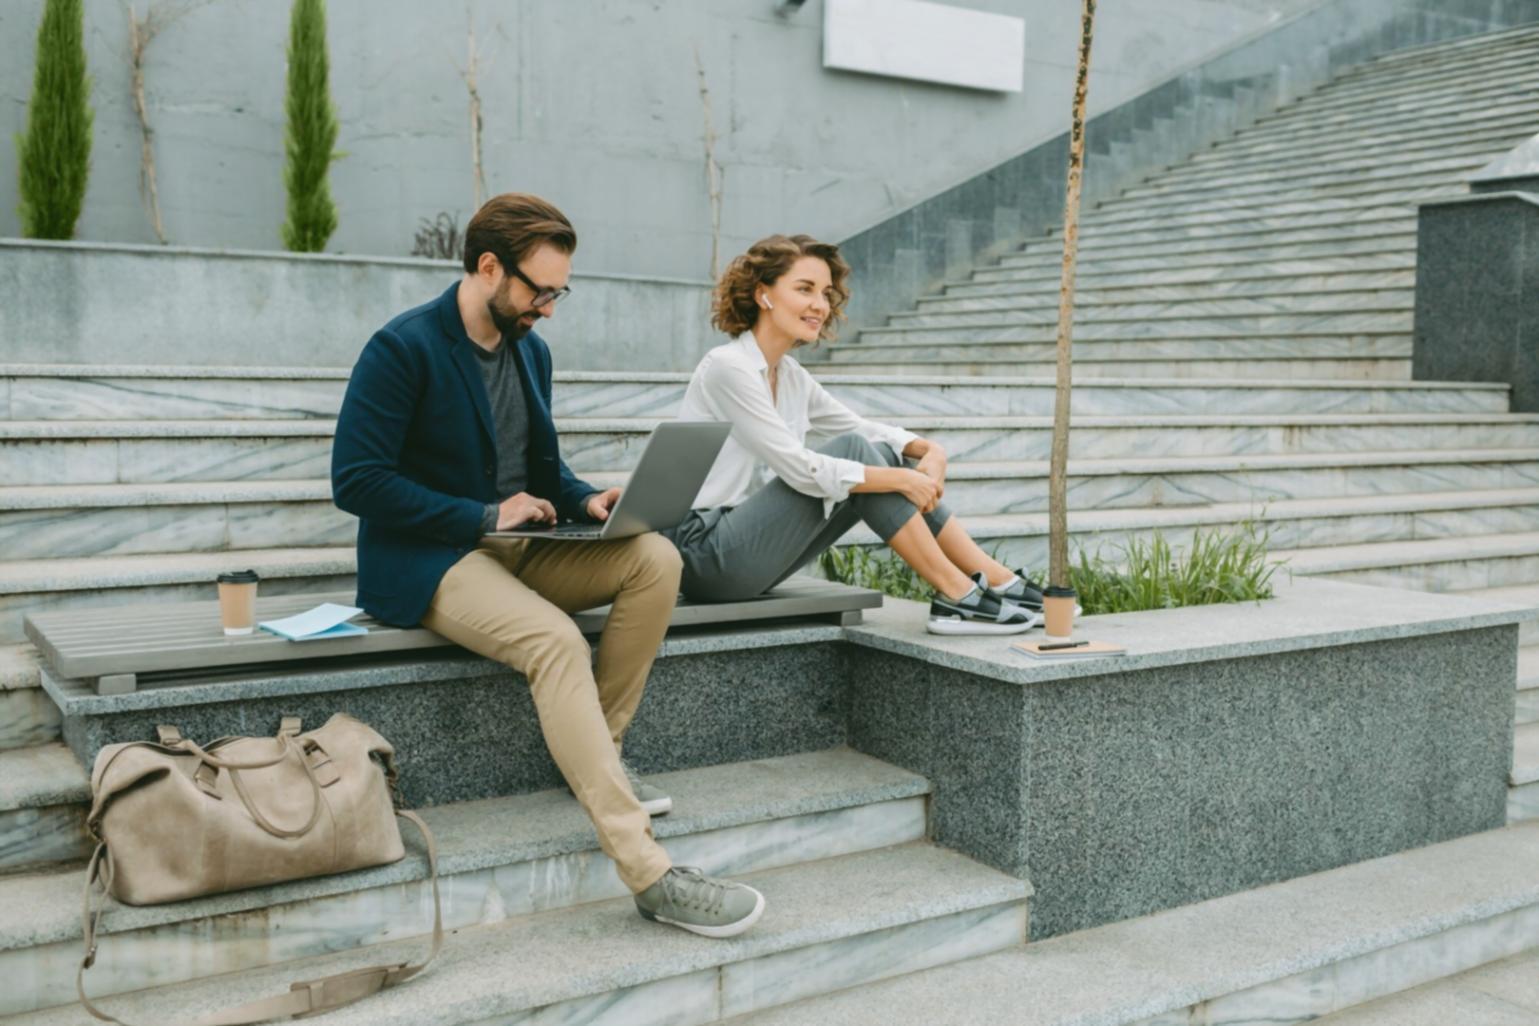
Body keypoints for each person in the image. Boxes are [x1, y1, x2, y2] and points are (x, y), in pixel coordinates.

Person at [331, 193, 764, 937]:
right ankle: (650, 872)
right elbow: (357, 480)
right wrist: (481, 515)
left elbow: (542, 466)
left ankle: (603, 754)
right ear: (489, 267)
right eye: (540, 290)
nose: (550, 308)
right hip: (434, 557)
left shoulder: (529, 349)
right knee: (554, 640)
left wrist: (587, 497)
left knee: (653, 558)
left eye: (559, 291)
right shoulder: (402, 348)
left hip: (522, 544)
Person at [665, 234, 1047, 634]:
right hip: (704, 554)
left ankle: (994, 580)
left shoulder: (791, 376)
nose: (820, 305)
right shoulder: (728, 367)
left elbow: (859, 427)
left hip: (749, 548)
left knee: (876, 453)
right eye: (804, 289)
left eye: (826, 293)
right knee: (860, 458)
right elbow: (798, 469)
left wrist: (928, 449)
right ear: (764, 295)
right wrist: (902, 478)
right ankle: (958, 593)